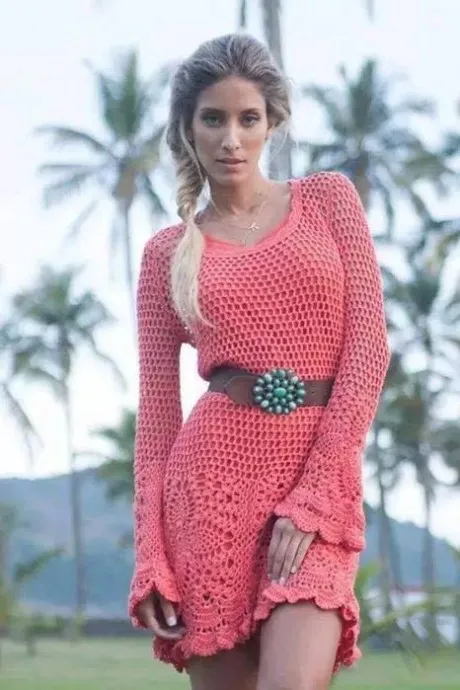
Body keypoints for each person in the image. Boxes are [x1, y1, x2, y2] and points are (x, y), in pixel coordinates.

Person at [128, 33, 390, 690]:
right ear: (187, 127)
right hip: (208, 493)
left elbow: (367, 348)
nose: (231, 139)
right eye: (212, 119)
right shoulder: (166, 255)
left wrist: (317, 493)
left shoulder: (328, 201)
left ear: (272, 122)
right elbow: (158, 418)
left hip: (316, 483)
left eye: (248, 118)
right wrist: (150, 554)